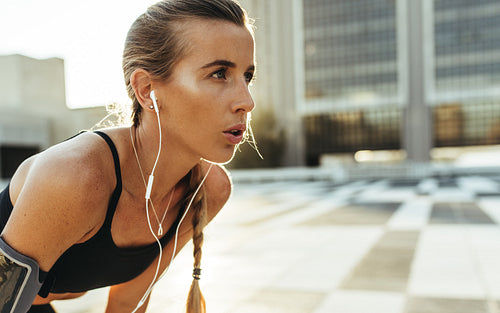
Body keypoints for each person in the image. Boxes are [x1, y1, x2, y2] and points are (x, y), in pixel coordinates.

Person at [0, 0, 255, 312]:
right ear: (147, 89)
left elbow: (125, 303)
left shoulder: (209, 189)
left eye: (247, 76)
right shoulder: (78, 177)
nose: (247, 101)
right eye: (219, 73)